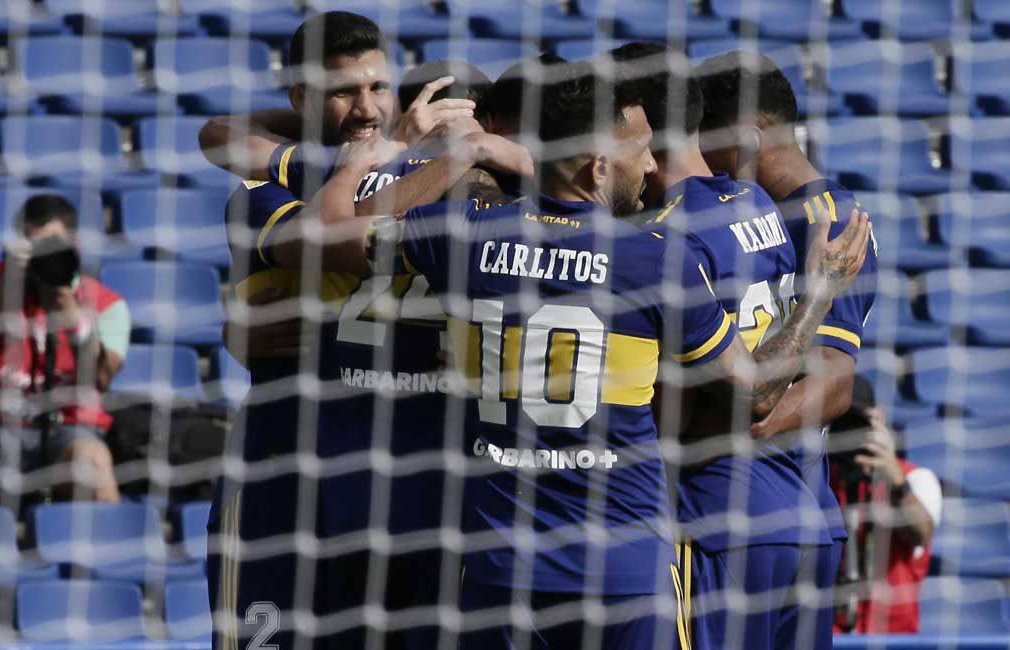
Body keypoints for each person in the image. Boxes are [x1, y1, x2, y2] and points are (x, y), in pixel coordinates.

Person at [294, 59, 871, 648]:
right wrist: (818, 292)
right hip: (622, 570)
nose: (650, 165)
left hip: (501, 568)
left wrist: (402, 158)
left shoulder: (464, 235)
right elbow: (755, 391)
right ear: (598, 168)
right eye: (639, 152)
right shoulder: (656, 260)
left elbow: (319, 240)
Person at [207, 12, 528, 650]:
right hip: (291, 479)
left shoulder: (290, 184)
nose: (365, 108)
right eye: (344, 92)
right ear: (300, 99)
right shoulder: (279, 190)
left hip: (422, 485)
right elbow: (335, 245)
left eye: (378, 89)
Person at [610, 42, 850, 650]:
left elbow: (677, 407)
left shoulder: (658, 241)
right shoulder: (758, 207)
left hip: (713, 514)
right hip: (792, 512)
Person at [695, 50, 880, 648]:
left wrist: (707, 439)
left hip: (773, 510)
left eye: (707, 142)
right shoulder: (747, 213)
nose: (699, 160)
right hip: (769, 513)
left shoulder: (828, 219)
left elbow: (831, 382)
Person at [0, 194, 128, 506]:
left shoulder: (106, 304)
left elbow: (99, 379)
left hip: (65, 429)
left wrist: (70, 313)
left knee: (94, 461)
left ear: (74, 244)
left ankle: (109, 554)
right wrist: (6, 290)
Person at [828, 377, 941, 634]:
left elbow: (921, 534)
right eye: (840, 423)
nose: (849, 432)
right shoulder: (816, 482)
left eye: (856, 421)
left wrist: (893, 480)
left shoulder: (915, 478)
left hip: (892, 637)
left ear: (878, 418)